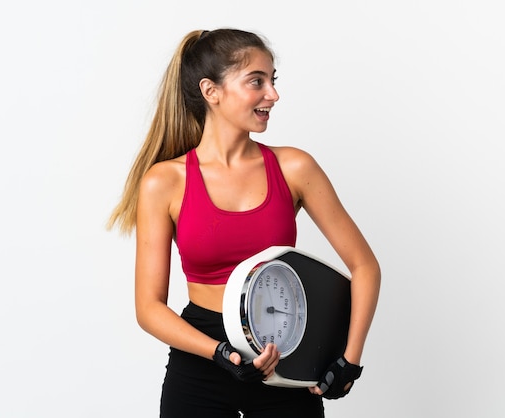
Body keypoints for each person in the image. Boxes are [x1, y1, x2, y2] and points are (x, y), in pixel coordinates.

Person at [107, 28, 381, 418]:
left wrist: (349, 362)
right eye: (257, 81)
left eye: (273, 81)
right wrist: (219, 353)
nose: (273, 94)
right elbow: (149, 307)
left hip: (283, 356)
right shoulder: (165, 182)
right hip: (200, 358)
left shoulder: (294, 167)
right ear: (211, 91)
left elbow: (365, 266)